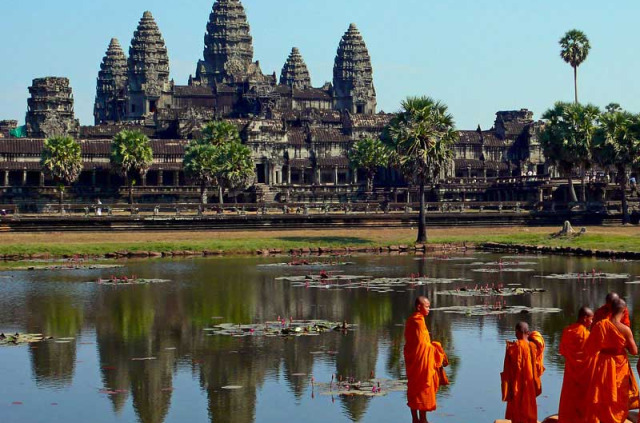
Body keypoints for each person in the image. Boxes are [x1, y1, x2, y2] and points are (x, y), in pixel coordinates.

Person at [585, 299, 638, 423]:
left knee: (604, 394)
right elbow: (634, 351)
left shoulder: (600, 325)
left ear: (611, 310)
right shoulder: (625, 329)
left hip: (603, 363)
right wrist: (622, 345)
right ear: (624, 311)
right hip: (620, 363)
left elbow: (590, 348)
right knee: (619, 394)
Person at [404, 296, 449, 423]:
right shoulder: (417, 321)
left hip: (417, 361)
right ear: (419, 307)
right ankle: (419, 419)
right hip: (418, 361)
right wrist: (437, 348)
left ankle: (419, 419)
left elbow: (420, 343)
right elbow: (421, 345)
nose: (429, 309)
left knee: (417, 387)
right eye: (427, 306)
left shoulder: (414, 320)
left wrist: (432, 347)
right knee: (422, 385)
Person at [501, 322, 545, 423]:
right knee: (529, 407)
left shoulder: (513, 348)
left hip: (516, 386)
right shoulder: (534, 346)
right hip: (530, 384)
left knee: (517, 411)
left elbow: (508, 370)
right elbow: (540, 339)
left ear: (516, 333)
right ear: (528, 332)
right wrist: (531, 336)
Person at [558, 306, 594, 423]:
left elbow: (563, 351)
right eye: (591, 319)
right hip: (585, 374)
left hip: (570, 372)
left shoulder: (567, 331)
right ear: (584, 318)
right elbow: (593, 354)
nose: (592, 322)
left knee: (569, 398)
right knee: (583, 399)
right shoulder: (588, 335)